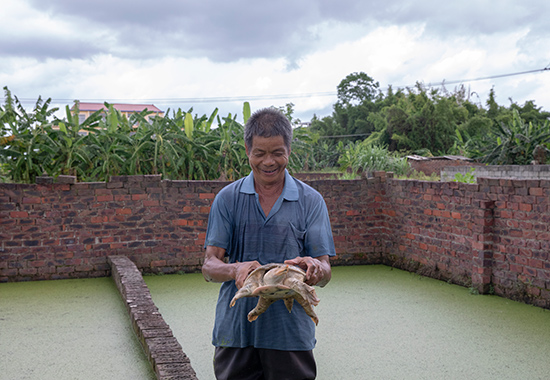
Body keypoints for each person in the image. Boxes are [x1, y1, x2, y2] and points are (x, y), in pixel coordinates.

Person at [201, 107, 336, 380]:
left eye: (277, 152)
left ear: (289, 149)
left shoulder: (311, 201)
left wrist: (314, 268)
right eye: (259, 153)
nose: (268, 161)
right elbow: (209, 265)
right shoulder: (227, 198)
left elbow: (325, 269)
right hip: (236, 330)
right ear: (247, 150)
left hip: (290, 332)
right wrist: (235, 269)